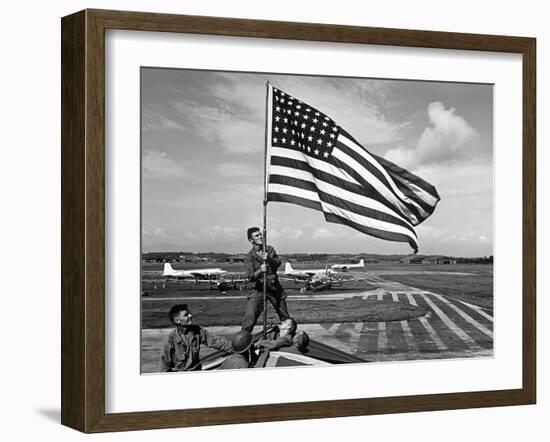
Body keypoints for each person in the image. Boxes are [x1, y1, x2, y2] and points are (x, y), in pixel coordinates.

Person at [242, 227, 291, 332]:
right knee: (249, 319)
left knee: (286, 318)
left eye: (260, 234)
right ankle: (243, 342)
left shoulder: (270, 250)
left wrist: (269, 259)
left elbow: (278, 263)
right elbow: (250, 277)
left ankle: (289, 339)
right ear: (251, 240)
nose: (260, 237)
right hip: (258, 289)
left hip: (274, 288)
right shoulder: (249, 257)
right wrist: (260, 270)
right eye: (257, 236)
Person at [159, 304, 232, 372]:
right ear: (177, 321)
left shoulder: (198, 331)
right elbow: (164, 365)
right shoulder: (170, 339)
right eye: (186, 315)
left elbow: (216, 342)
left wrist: (236, 349)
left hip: (196, 372)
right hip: (179, 375)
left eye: (189, 313)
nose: (190, 315)